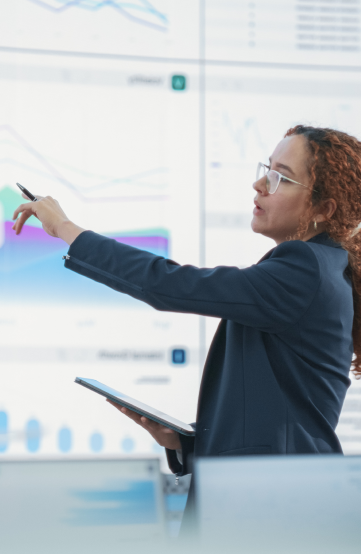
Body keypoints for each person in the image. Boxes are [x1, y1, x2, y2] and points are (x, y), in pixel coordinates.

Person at [12, 125, 361, 526]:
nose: (259, 183)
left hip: (276, 508)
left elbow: (170, 284)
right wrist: (186, 443)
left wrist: (68, 231)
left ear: (324, 209)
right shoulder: (319, 270)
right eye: (267, 168)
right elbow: (279, 420)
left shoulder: (304, 270)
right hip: (279, 500)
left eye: (280, 176)